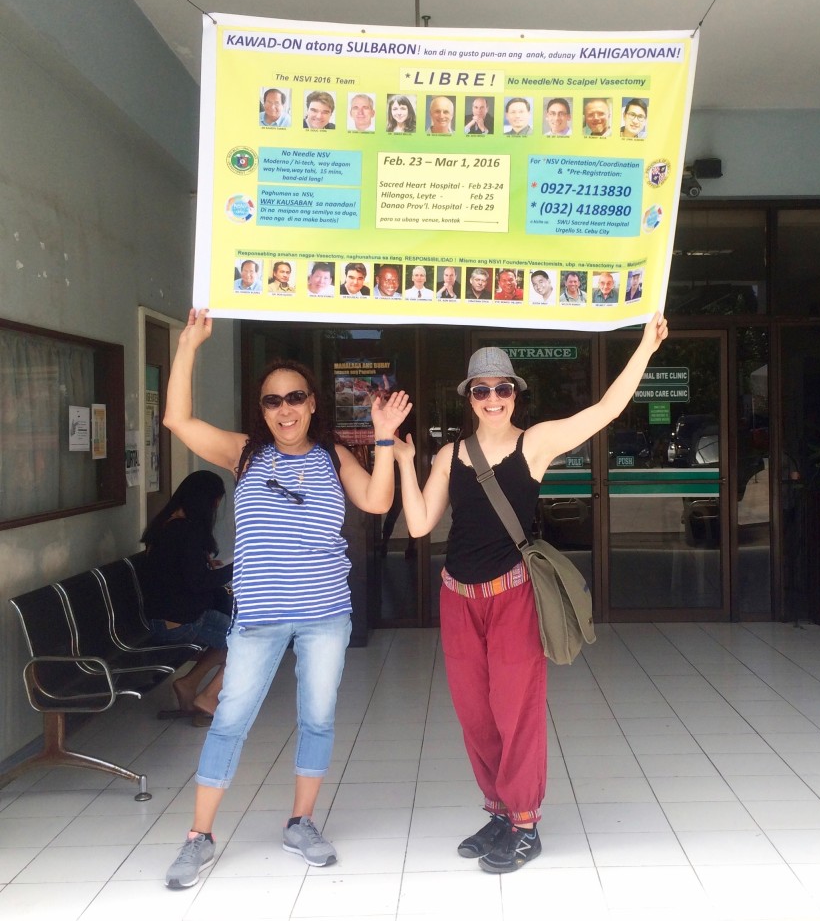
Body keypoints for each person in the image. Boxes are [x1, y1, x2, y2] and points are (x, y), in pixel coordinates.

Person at [391, 313, 668, 874]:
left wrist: (644, 346)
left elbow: (607, 410)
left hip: (514, 593)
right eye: (482, 389)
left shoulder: (535, 445)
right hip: (457, 597)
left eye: (502, 388)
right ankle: (498, 809)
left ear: (515, 393)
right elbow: (419, 525)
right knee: (476, 713)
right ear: (469, 397)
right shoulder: (451, 456)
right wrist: (401, 461)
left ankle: (525, 824)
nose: (493, 398)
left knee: (516, 711)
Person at [161, 308, 411, 889]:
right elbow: (176, 417)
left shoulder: (332, 457)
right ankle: (198, 837)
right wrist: (188, 346)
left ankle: (301, 823)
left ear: (313, 402)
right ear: (262, 410)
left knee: (316, 719)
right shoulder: (245, 454)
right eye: (273, 401)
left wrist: (381, 438)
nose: (285, 409)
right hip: (258, 619)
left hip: (325, 616)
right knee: (229, 721)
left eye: (295, 397)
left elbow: (376, 503)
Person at [141, 470, 233, 728]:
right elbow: (198, 582)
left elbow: (177, 571)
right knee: (249, 642)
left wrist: (206, 566)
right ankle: (207, 697)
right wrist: (236, 568)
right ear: (207, 501)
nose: (216, 507)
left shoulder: (166, 524)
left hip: (170, 614)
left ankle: (189, 684)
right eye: (216, 500)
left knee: (239, 631)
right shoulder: (185, 531)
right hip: (179, 621)